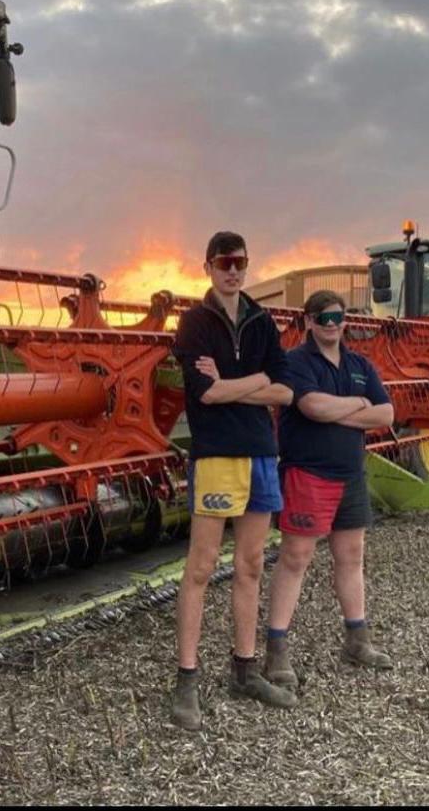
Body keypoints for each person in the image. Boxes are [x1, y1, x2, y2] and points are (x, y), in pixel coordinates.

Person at [170, 231, 296, 730]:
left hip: (261, 455)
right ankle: (186, 680)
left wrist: (232, 385)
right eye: (224, 262)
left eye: (240, 262)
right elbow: (203, 395)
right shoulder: (194, 323)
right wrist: (256, 384)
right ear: (208, 266)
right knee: (200, 567)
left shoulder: (263, 322)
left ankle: (244, 669)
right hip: (216, 455)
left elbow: (285, 391)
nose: (233, 270)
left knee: (250, 565)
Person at [264, 290, 395, 691]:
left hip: (351, 474)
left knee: (351, 555)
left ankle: (357, 640)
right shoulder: (295, 362)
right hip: (308, 473)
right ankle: (276, 651)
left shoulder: (359, 364)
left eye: (337, 316)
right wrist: (357, 405)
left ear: (346, 320)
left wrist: (338, 408)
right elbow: (311, 408)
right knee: (296, 557)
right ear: (308, 322)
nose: (331, 324)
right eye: (322, 317)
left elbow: (387, 413)